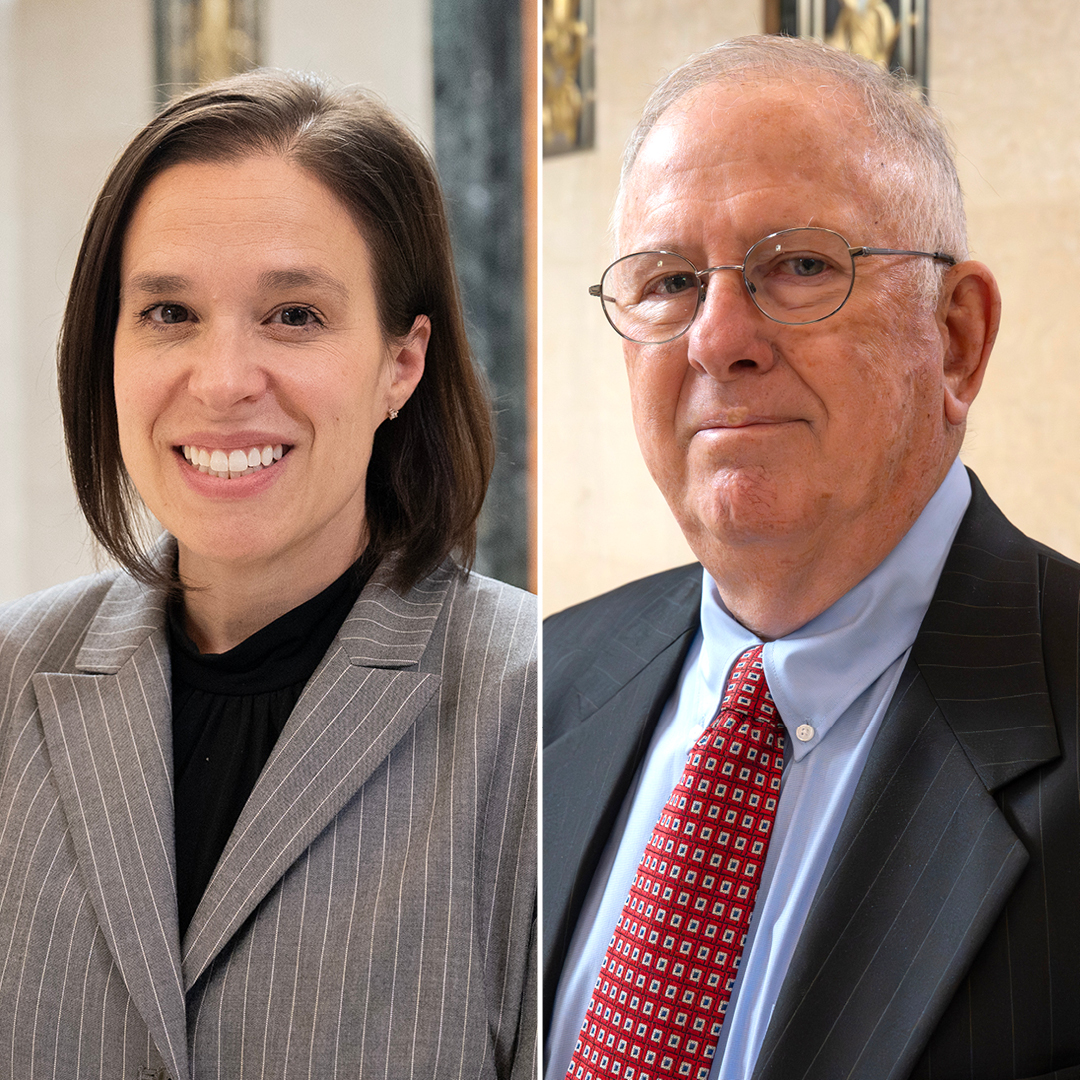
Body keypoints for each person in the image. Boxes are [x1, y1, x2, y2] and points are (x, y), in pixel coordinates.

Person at [543, 35, 1080, 1080]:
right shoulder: (541, 688)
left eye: (798, 266)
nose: (717, 337)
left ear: (957, 337)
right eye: (669, 281)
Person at [0, 70, 535, 1079]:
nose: (223, 379)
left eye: (293, 315)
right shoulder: (8, 678)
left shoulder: (533, 705)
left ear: (402, 363)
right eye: (168, 313)